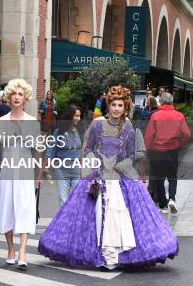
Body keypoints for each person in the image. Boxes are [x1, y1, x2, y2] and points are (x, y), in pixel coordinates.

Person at [39, 86, 178, 269]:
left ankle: (118, 256)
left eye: (120, 105)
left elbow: (133, 153)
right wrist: (95, 162)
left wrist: (120, 166)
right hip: (98, 175)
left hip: (122, 177)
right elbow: (88, 148)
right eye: (113, 104)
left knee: (123, 216)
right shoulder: (97, 125)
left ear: (125, 106)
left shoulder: (128, 127)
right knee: (95, 216)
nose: (116, 108)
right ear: (108, 105)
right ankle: (104, 256)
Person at [0, 78, 43, 270]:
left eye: (21, 94)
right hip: (5, 171)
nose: (17, 97)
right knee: (7, 209)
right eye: (14, 94)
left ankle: (22, 251)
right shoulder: (0, 122)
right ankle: (10, 249)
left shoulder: (32, 122)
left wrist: (40, 173)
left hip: (25, 170)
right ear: (9, 98)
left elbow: (38, 150)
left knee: (25, 208)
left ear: (25, 98)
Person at [144, 92, 191, 214]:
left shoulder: (155, 116)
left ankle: (163, 205)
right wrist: (178, 144)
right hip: (173, 151)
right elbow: (186, 134)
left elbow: (149, 135)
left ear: (162, 102)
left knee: (159, 178)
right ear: (172, 102)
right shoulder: (179, 116)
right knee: (172, 177)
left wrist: (146, 149)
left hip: (157, 150)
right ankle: (172, 199)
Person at [46, 104, 83, 206]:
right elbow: (50, 150)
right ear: (70, 116)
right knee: (63, 201)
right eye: (76, 116)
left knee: (77, 200)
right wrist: (47, 168)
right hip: (61, 171)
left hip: (76, 170)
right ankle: (64, 222)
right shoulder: (58, 132)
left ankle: (74, 222)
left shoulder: (80, 131)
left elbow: (84, 151)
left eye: (79, 116)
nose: (78, 118)